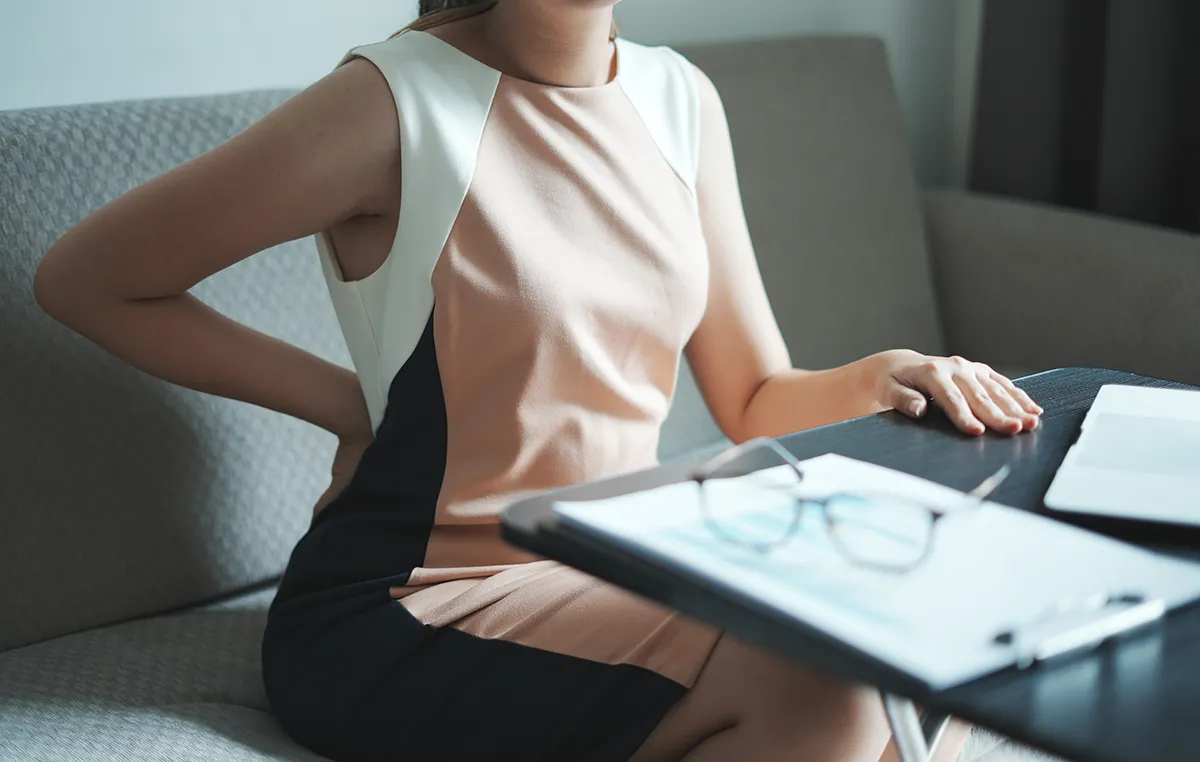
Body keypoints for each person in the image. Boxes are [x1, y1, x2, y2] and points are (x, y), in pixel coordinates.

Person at [33, 1, 1043, 760]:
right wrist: (343, 401)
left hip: (622, 560)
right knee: (829, 689)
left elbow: (754, 394)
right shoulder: (394, 103)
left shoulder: (678, 99)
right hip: (415, 599)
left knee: (912, 651)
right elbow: (90, 279)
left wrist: (888, 373)